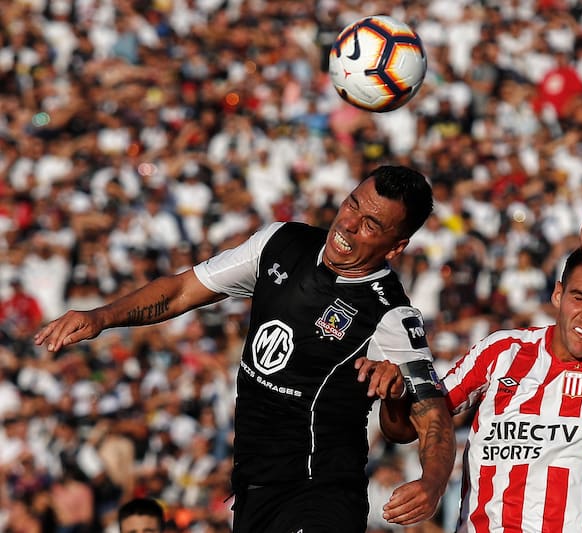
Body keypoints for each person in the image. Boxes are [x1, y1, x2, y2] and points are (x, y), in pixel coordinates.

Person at [35, 165, 455, 532]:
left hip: (320, 490)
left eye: (371, 224)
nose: (348, 224)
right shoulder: (280, 243)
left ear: (396, 247)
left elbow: (426, 420)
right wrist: (101, 317)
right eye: (352, 205)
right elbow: (182, 290)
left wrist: (433, 480)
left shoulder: (390, 314)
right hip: (253, 487)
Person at [374, 187, 582, 531]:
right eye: (579, 297)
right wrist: (395, 398)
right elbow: (410, 426)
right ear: (557, 294)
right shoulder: (502, 351)